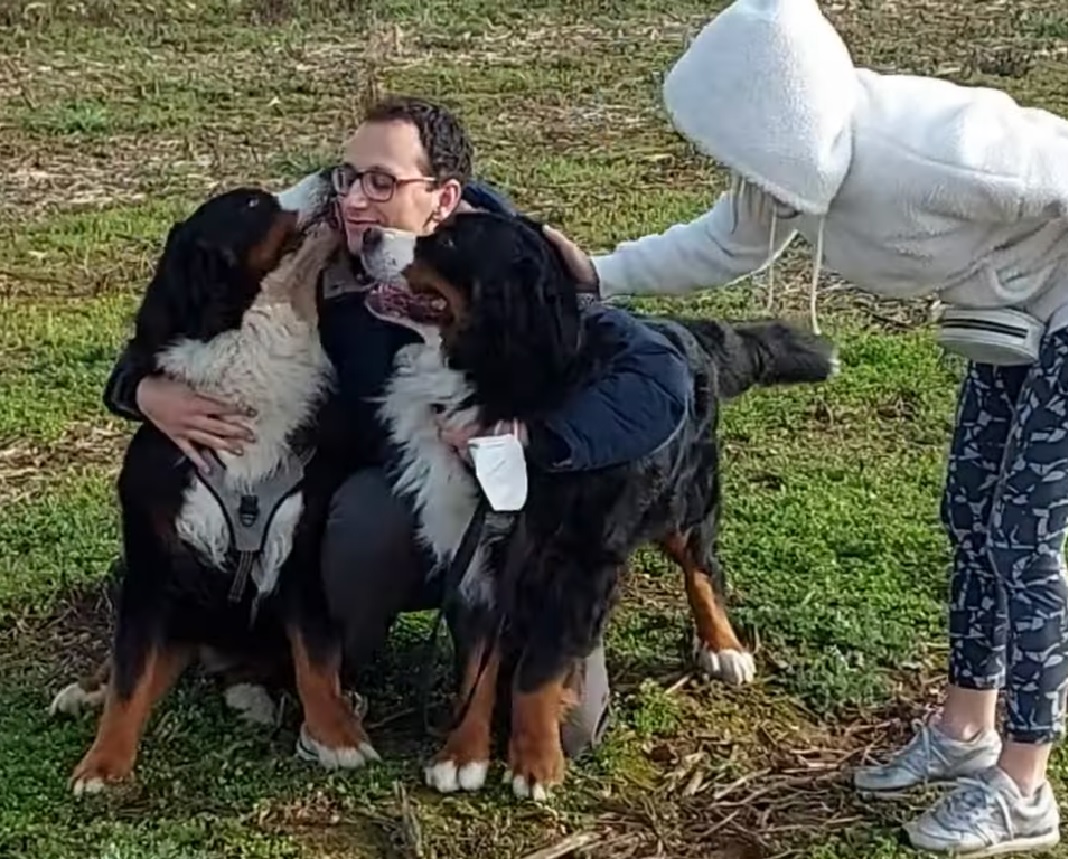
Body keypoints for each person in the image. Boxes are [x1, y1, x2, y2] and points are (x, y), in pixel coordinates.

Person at [541, 0, 1068, 853]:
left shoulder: (928, 148)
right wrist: (599, 273)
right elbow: (728, 243)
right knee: (970, 518)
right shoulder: (787, 167)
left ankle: (1026, 784)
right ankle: (966, 729)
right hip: (1008, 319)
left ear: (783, 117)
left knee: (1023, 540)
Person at [102, 96, 690, 762]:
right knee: (362, 517)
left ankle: (531, 633)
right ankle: (328, 660)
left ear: (444, 197)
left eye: (382, 182)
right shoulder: (320, 264)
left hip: (530, 529)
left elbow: (659, 381)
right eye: (348, 177)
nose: (353, 199)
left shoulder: (516, 271)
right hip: (401, 502)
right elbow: (191, 304)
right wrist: (140, 387)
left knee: (569, 732)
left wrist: (533, 443)